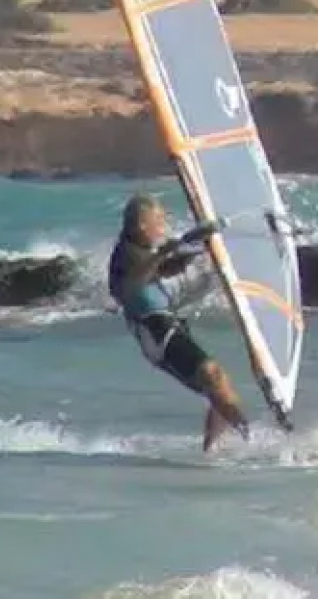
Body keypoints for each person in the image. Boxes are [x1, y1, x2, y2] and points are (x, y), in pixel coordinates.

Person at [108, 193, 250, 452]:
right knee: (212, 376)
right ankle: (249, 436)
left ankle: (212, 451)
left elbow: (163, 269)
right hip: (154, 331)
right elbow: (131, 286)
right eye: (159, 220)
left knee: (218, 382)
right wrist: (163, 253)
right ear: (143, 224)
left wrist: (197, 247)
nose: (163, 226)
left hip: (168, 324)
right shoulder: (124, 255)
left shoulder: (140, 250)